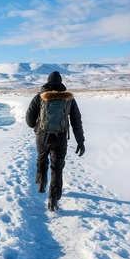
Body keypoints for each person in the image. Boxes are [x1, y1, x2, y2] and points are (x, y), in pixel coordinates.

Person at [25, 71, 85, 211]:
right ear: (61, 82)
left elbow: (29, 120)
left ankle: (41, 183)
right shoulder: (69, 99)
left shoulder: (39, 97)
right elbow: (76, 121)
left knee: (41, 159)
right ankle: (53, 199)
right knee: (57, 168)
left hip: (42, 135)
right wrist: (80, 141)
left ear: (47, 82)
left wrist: (37, 128)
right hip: (61, 137)